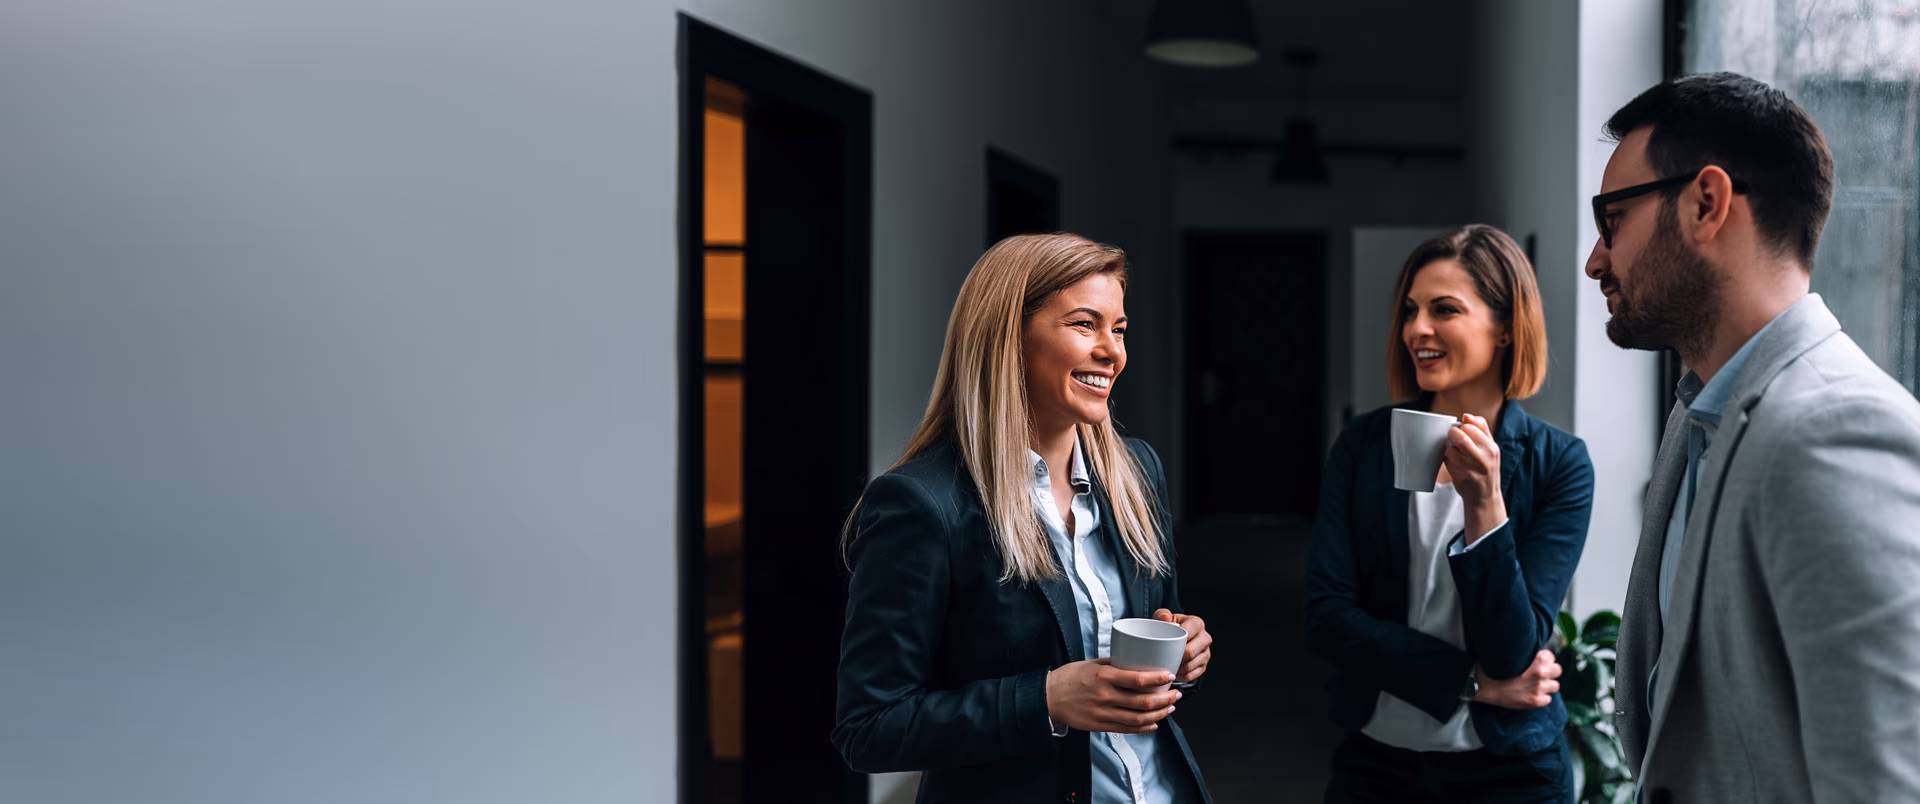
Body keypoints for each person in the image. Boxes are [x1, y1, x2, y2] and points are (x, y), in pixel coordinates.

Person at [1588, 72, 1920, 802]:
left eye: (1611, 219)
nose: (1595, 259)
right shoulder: (1695, 412)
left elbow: (1883, 782)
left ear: (1706, 204)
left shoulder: (1838, 432)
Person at [832, 233, 1213, 803]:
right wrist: (1048, 699)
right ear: (1008, 338)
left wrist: (1183, 651)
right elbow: (869, 728)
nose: (1113, 351)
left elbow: (1156, 636)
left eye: (1120, 328)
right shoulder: (921, 504)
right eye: (1086, 325)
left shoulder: (1138, 474)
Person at [1304, 224, 1593, 803]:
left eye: (1444, 310)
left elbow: (1514, 651)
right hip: (1375, 766)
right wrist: (1470, 683)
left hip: (1511, 774)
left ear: (1506, 327)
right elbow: (1327, 619)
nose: (1417, 329)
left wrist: (1485, 501)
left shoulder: (1559, 464)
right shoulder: (1363, 446)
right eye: (1410, 310)